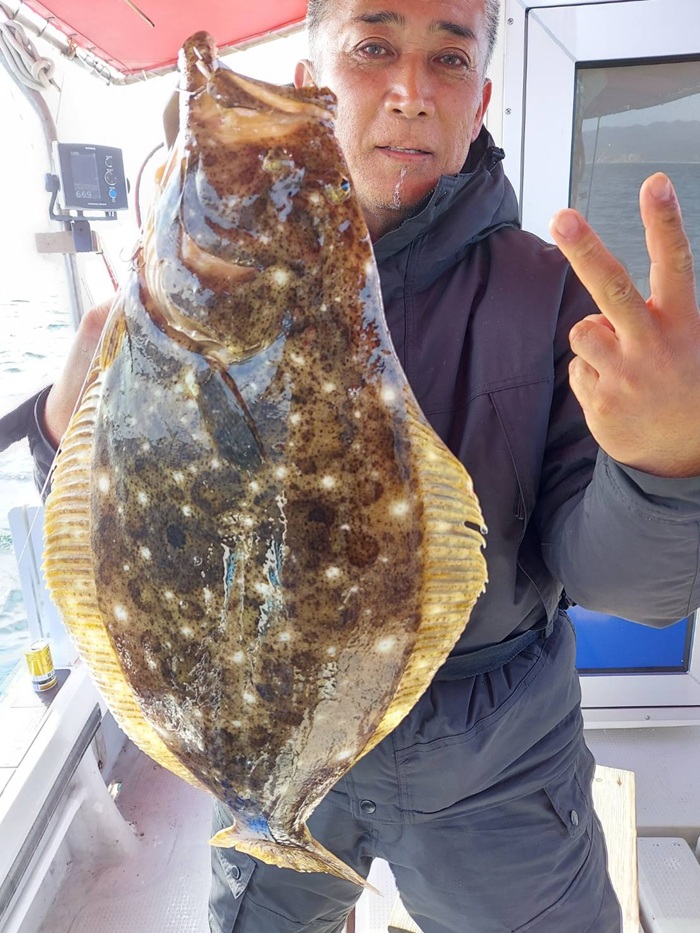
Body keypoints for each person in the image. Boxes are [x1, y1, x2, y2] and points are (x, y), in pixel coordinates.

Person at [20, 0, 700, 930]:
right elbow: (135, 525)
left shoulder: (557, 302)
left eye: (449, 60)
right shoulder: (161, 297)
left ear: (481, 101)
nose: (411, 91)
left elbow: (631, 585)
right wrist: (63, 437)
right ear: (315, 87)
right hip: (262, 735)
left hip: (495, 764)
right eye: (374, 47)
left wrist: (667, 460)